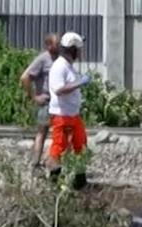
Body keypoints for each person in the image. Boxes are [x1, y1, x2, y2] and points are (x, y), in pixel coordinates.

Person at [46, 31, 90, 186]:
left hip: (73, 114)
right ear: (73, 50)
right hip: (61, 115)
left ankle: (80, 180)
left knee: (80, 144)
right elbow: (59, 89)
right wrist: (79, 83)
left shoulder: (68, 66)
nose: (80, 53)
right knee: (59, 147)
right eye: (78, 49)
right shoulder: (59, 67)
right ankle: (54, 181)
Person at [21, 36, 60, 167]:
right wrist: (33, 97)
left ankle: (53, 160)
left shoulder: (60, 59)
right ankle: (35, 162)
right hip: (46, 102)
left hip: (58, 102)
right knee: (42, 132)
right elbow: (25, 77)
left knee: (60, 133)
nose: (59, 46)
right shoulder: (43, 59)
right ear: (49, 45)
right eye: (56, 44)